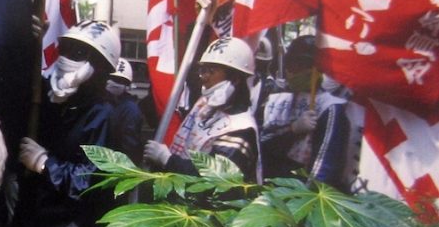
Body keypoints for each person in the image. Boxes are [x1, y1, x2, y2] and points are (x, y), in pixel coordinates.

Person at [11, 20, 123, 227]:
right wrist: (28, 44)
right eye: (67, 49)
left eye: (81, 53)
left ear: (100, 66)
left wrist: (46, 164)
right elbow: (16, 92)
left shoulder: (104, 116)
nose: (68, 58)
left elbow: (93, 182)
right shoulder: (50, 99)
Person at [143, 36, 260, 182]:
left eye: (211, 71)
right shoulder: (204, 106)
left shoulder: (241, 128)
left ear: (235, 78)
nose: (204, 77)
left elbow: (217, 179)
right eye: (202, 70)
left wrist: (167, 159)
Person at [260, 35, 352, 190]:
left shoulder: (330, 108)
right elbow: (263, 144)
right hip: (270, 186)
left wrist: (305, 200)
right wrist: (292, 130)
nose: (291, 72)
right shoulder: (278, 101)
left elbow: (324, 168)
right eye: (290, 65)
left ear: (316, 69)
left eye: (299, 66)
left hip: (299, 192)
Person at [105, 58, 145, 165]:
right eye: (111, 78)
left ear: (127, 85)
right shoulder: (103, 101)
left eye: (119, 80)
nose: (112, 82)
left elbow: (130, 147)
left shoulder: (130, 109)